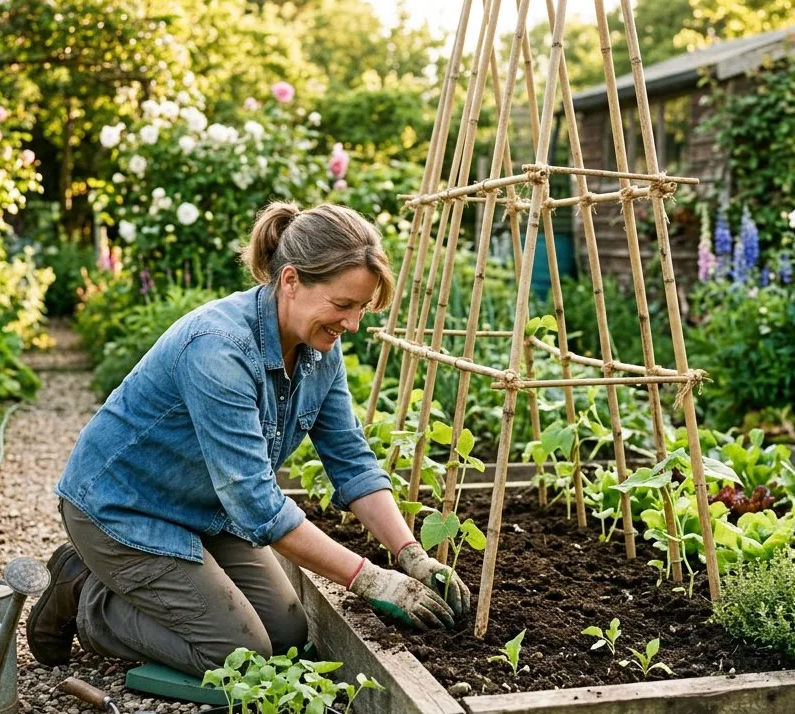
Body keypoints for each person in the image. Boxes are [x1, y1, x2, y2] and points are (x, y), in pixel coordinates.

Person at [27, 202, 470, 676]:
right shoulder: (219, 349)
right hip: (123, 512)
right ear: (291, 281)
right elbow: (257, 503)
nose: (352, 324)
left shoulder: (319, 350)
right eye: (342, 305)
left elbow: (352, 461)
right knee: (241, 656)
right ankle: (86, 596)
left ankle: (134, 590)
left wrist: (412, 556)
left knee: (287, 634)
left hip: (206, 511)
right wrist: (369, 578)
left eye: (361, 308)